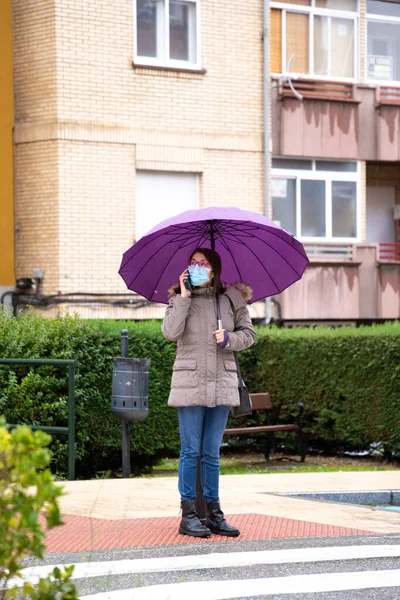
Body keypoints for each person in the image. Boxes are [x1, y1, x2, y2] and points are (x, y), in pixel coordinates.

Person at [161, 247, 256, 538]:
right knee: (190, 451)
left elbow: (249, 335)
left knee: (211, 453)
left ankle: (214, 515)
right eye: (193, 262)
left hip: (222, 382)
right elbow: (170, 332)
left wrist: (229, 338)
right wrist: (185, 298)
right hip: (190, 384)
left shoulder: (231, 298)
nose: (197, 266)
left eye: (203, 263)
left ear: (214, 270)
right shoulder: (178, 298)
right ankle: (188, 516)